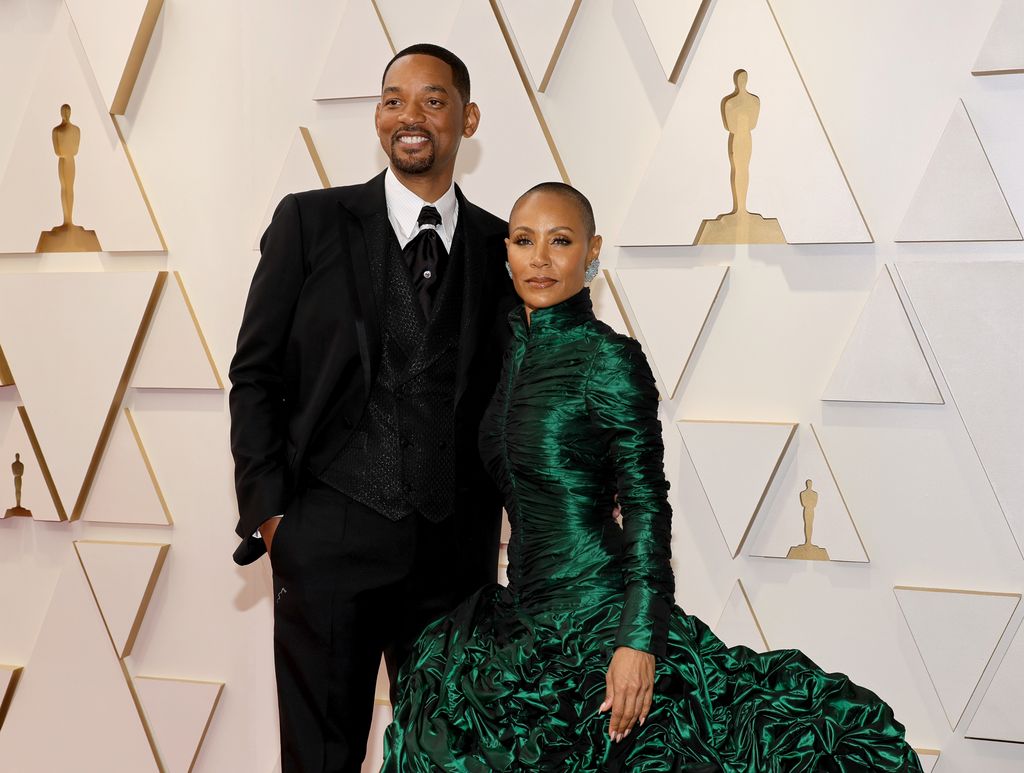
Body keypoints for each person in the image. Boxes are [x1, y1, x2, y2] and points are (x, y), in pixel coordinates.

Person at [381, 182, 923, 772]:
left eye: (560, 241)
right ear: (505, 251)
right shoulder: (505, 355)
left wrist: (637, 640)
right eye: (524, 240)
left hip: (603, 617)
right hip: (522, 619)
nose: (540, 258)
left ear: (593, 252)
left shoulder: (609, 360)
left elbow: (646, 506)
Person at [229, 44, 517, 773]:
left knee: (447, 759)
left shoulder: (501, 246)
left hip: (454, 560)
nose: (409, 117)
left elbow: (518, 397)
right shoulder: (310, 221)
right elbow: (256, 373)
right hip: (327, 542)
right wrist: (273, 518)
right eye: (393, 100)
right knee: (320, 760)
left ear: (468, 117)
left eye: (431, 99)